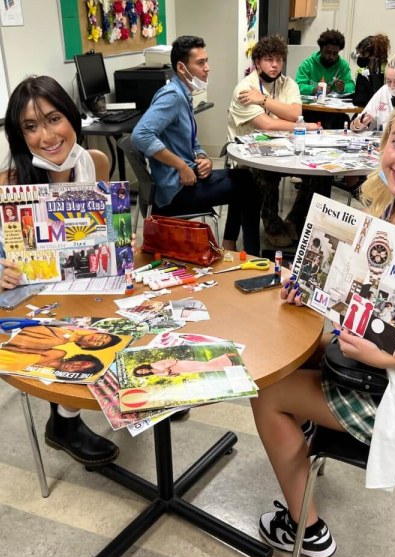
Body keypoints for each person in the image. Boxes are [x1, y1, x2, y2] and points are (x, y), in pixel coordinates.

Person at [251, 95, 395, 557]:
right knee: (288, 341)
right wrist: (306, 286)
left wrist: (392, 359)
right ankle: (304, 441)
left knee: (267, 395)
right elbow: (362, 294)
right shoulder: (392, 206)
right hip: (370, 357)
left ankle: (306, 528)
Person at [0, 75, 119, 467]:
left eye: (53, 119)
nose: (46, 136)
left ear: (71, 117)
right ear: (20, 136)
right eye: (30, 127)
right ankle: (64, 421)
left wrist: (119, 245)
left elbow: (108, 230)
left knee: (128, 310)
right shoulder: (9, 182)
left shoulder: (94, 162)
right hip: (23, 295)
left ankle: (126, 386)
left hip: (81, 280)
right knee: (84, 326)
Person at [131, 35, 261, 256]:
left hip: (187, 179)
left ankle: (232, 246)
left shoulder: (183, 93)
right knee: (248, 189)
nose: (207, 68)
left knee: (245, 179)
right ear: (182, 67)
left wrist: (203, 158)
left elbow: (192, 141)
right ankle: (254, 256)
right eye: (200, 63)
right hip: (175, 193)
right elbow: (140, 135)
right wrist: (181, 165)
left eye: (206, 61)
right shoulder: (172, 96)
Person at [228, 35, 318, 248]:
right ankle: (272, 226)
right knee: (266, 175)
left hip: (284, 149)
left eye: (279, 59)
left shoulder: (288, 84)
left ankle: (294, 221)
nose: (275, 64)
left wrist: (264, 100)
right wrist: (303, 127)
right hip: (250, 155)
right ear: (257, 62)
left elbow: (296, 113)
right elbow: (266, 125)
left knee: (316, 176)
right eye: (269, 59)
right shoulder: (245, 89)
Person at [296, 29, 355, 130]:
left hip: (334, 112)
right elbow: (298, 86)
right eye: (328, 52)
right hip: (311, 112)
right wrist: (315, 89)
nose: (331, 57)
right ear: (321, 49)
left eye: (335, 53)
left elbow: (352, 86)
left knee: (343, 120)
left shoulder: (343, 65)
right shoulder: (308, 64)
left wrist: (343, 88)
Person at [351, 53, 395, 132]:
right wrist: (359, 124)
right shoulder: (384, 91)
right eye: (388, 81)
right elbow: (355, 126)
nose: (392, 87)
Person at [352, 34, 391, 107]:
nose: (360, 57)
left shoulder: (386, 71)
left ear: (374, 56)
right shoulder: (361, 70)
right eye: (359, 53)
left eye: (363, 54)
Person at [133, 353, 236, 377]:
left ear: (142, 367)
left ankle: (227, 357)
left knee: (205, 365)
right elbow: (169, 375)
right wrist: (171, 374)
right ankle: (229, 365)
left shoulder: (154, 364)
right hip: (182, 370)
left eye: (141, 370)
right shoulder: (155, 374)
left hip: (182, 365)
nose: (143, 371)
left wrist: (167, 370)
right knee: (205, 368)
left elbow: (171, 361)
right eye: (141, 373)